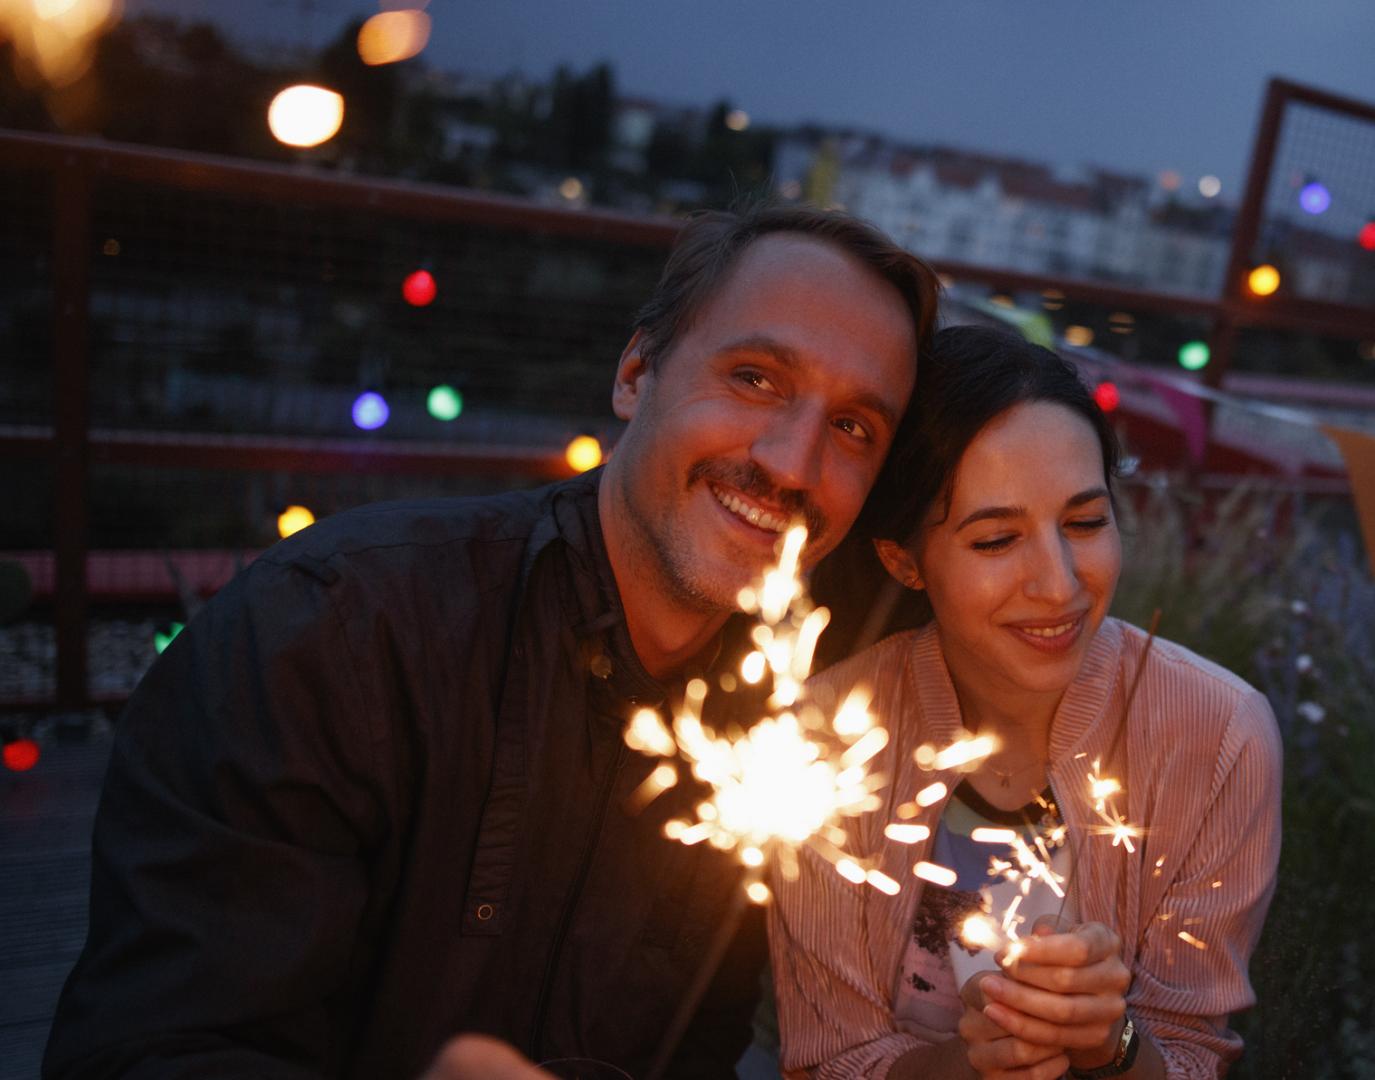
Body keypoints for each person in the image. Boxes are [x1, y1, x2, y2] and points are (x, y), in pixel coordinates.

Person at [44, 206, 941, 1079]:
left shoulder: (792, 734)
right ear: (636, 372)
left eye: (853, 428)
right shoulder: (333, 636)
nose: (792, 463)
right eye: (754, 378)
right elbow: (149, 1048)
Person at [770, 326, 1284, 1080]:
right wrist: (970, 1061)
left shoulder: (1218, 736)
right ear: (904, 559)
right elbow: (833, 1060)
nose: (1060, 584)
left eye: (1085, 523)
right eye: (995, 540)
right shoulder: (827, 739)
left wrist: (1112, 1042)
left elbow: (1190, 1054)